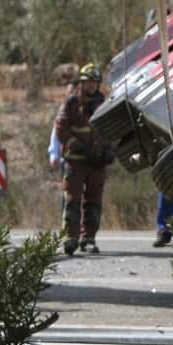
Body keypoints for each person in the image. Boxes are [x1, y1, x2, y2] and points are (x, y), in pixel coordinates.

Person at [56, 63, 114, 256]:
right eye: (88, 81)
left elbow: (108, 130)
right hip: (76, 161)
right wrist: (79, 147)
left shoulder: (104, 103)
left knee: (94, 201)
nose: (91, 85)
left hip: (96, 163)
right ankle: (70, 238)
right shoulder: (72, 103)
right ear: (81, 82)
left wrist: (108, 151)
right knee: (73, 200)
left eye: (95, 82)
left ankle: (88, 238)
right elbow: (61, 130)